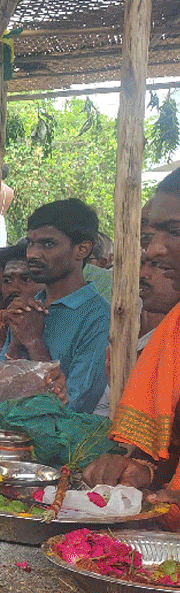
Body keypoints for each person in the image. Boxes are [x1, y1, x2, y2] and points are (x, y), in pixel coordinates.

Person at [83, 170, 180, 508]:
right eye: (150, 235)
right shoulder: (174, 332)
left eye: (175, 231)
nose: (153, 249)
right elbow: (171, 446)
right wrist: (143, 470)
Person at [1, 198, 109, 414]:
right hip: (9, 441)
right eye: (31, 243)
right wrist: (15, 344)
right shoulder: (29, 309)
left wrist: (34, 342)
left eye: (47, 245)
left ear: (82, 249)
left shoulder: (98, 316)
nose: (32, 254)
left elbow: (76, 408)